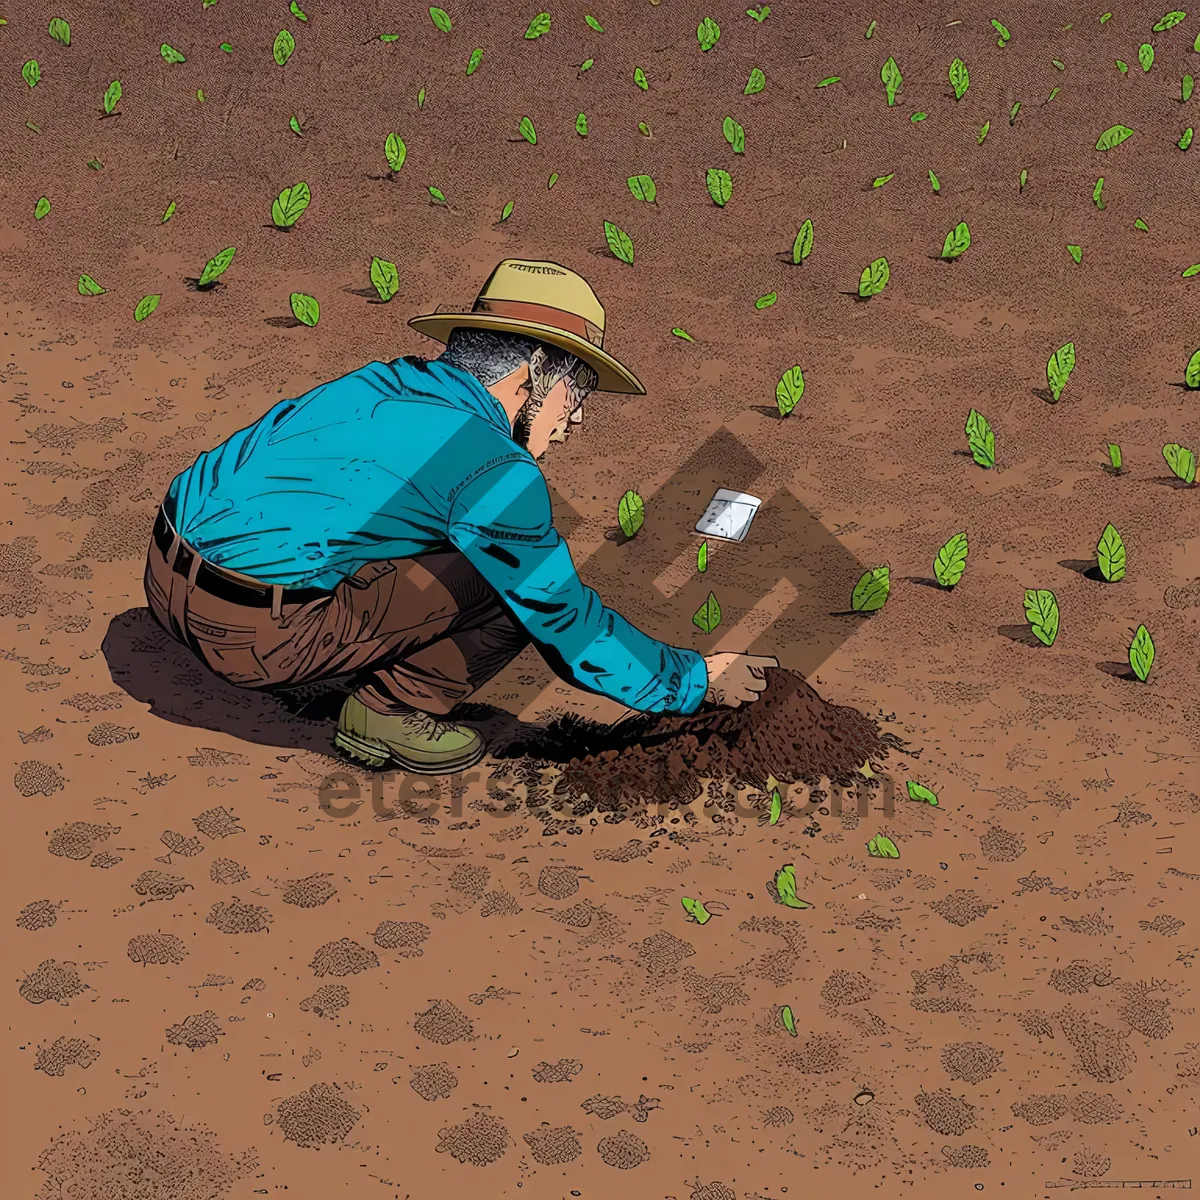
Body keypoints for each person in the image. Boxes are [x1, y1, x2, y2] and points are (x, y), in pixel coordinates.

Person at [144, 258, 776, 774]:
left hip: (163, 576)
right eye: (574, 395)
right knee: (515, 592)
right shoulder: (493, 466)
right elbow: (565, 622)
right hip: (254, 639)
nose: (576, 419)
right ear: (531, 378)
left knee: (406, 530)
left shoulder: (377, 383)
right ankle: (385, 713)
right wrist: (693, 681)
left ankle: (326, 643)